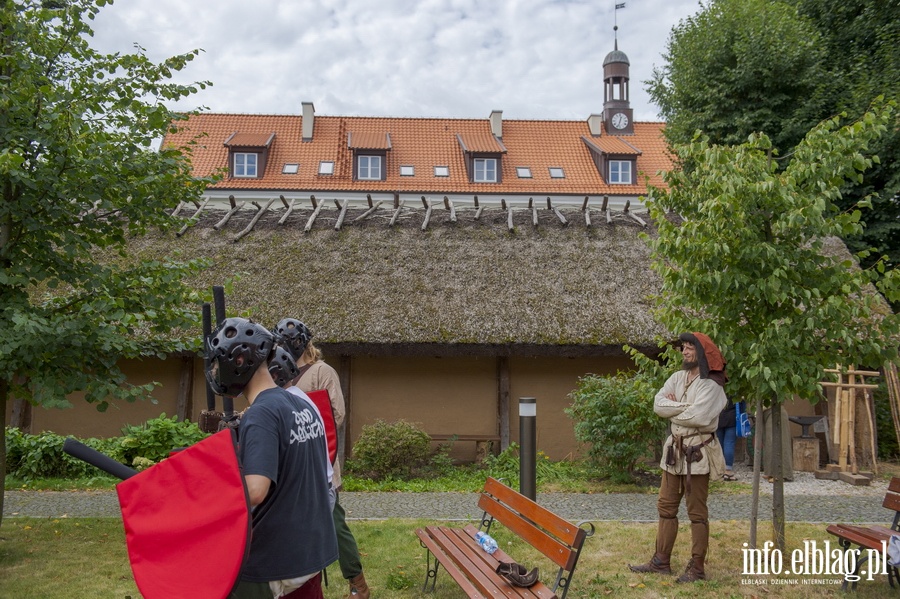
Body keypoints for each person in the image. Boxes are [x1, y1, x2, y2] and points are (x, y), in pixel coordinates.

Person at [206, 317, 337, 599]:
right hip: (309, 551)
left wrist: (205, 498)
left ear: (239, 360)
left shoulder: (261, 412)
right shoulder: (302, 403)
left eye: (219, 363)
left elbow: (255, 490)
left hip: (274, 560)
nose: (218, 371)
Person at [273, 318, 370, 599]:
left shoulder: (322, 371)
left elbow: (335, 415)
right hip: (288, 463)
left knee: (334, 525)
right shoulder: (278, 372)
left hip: (319, 461)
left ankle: (358, 582)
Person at [629, 332, 727, 583]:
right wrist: (686, 408)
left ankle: (697, 569)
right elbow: (658, 405)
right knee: (666, 507)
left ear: (702, 353)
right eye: (682, 348)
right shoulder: (677, 377)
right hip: (674, 454)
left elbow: (700, 418)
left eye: (689, 348)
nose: (684, 352)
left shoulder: (712, 385)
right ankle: (661, 561)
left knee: (696, 513)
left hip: (698, 455)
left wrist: (675, 410)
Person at [716, 403, 737, 481]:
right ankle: (728, 470)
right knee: (729, 443)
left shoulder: (717, 390)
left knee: (719, 444)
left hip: (718, 416)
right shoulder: (735, 391)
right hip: (732, 417)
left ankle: (719, 470)